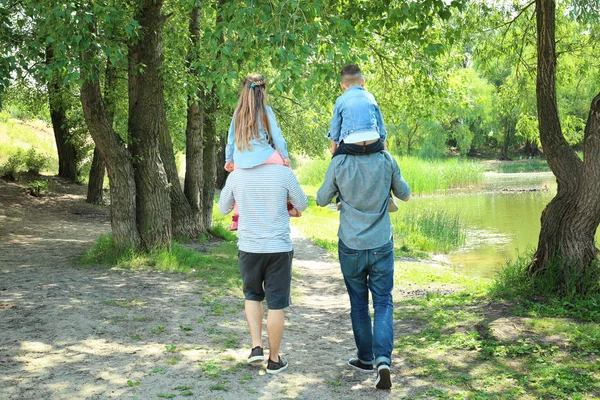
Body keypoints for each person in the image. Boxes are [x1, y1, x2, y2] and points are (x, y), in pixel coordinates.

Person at [316, 149, 410, 389]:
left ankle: (365, 358)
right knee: (383, 302)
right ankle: (383, 361)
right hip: (380, 243)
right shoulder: (387, 159)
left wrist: (340, 191)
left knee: (358, 304)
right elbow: (405, 194)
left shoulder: (340, 162)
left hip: (351, 245)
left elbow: (321, 198)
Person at [218, 145, 308, 375]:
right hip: (278, 248)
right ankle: (274, 360)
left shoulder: (237, 175)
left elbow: (222, 208)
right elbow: (303, 203)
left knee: (252, 296)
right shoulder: (283, 173)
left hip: (249, 247)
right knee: (276, 304)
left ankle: (256, 347)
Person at [224, 73, 301, 231]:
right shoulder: (266, 111)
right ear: (263, 90)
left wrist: (229, 159)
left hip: (241, 159)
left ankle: (236, 219)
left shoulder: (238, 113)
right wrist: (285, 157)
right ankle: (289, 204)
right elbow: (276, 136)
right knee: (286, 171)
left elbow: (230, 139)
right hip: (264, 155)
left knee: (238, 182)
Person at [327, 64, 396, 211]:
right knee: (386, 162)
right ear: (362, 82)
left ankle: (339, 198)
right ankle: (389, 195)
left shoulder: (341, 100)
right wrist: (383, 145)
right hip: (373, 141)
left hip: (351, 144)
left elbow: (335, 128)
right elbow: (380, 124)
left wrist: (334, 150)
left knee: (336, 164)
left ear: (342, 85)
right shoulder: (370, 97)